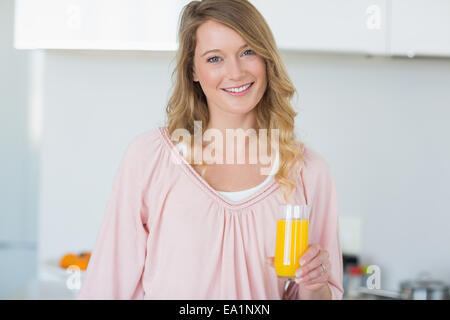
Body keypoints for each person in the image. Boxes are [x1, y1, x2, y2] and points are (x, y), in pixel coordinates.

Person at [76, 0, 343, 300]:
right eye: (215, 59)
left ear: (267, 58)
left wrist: (315, 284)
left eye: (248, 51)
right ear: (193, 69)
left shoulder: (307, 171)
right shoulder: (150, 158)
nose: (236, 72)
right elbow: (106, 285)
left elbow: (315, 293)